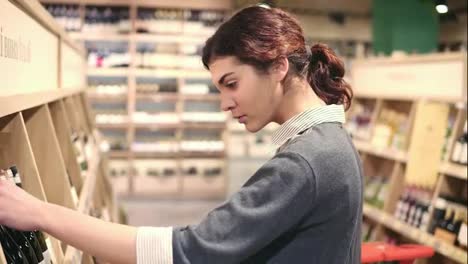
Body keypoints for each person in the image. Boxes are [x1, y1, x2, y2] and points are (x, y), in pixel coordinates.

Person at [0, 5, 362, 264]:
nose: (225, 103)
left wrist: (39, 213)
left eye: (231, 84)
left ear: (279, 66)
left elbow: (187, 251)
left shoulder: (305, 162)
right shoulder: (331, 141)